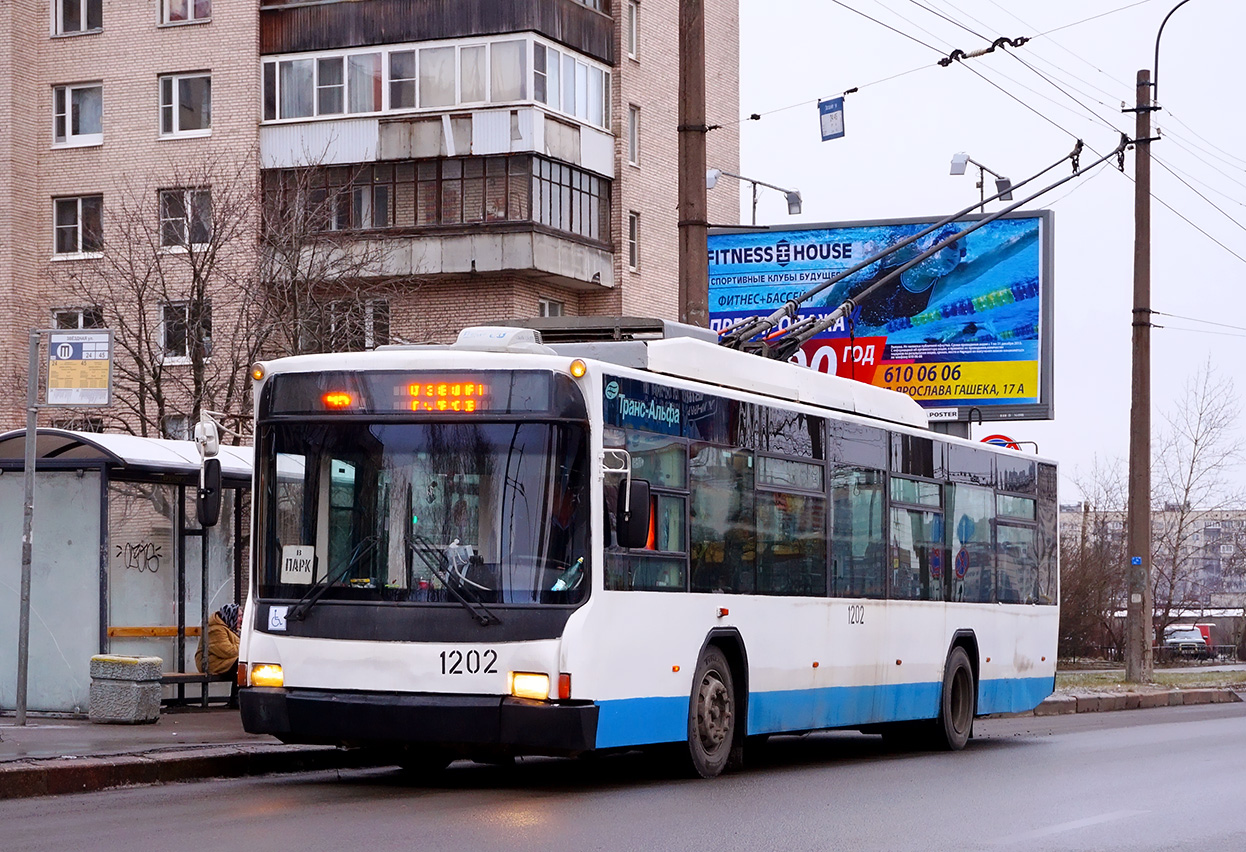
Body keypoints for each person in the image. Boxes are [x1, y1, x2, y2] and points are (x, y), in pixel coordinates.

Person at [195, 603, 241, 677]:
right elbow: (227, 651)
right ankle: (238, 689)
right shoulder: (216, 629)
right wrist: (245, 649)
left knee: (244, 666)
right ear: (231, 615)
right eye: (239, 616)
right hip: (211, 663)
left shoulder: (230, 629)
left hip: (224, 661)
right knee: (242, 665)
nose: (241, 619)